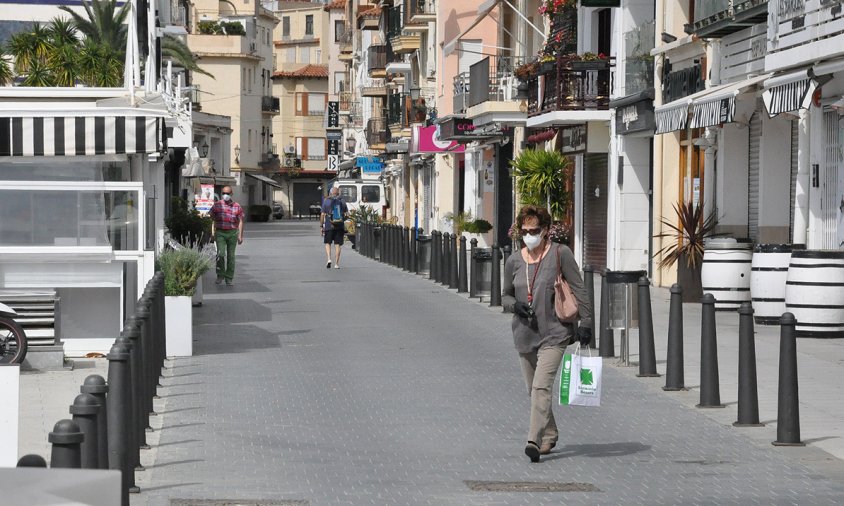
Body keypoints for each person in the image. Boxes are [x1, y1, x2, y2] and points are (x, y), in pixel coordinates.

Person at [502, 205, 593, 463]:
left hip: (555, 332)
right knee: (534, 390)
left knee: (542, 386)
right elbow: (505, 295)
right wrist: (514, 306)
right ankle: (550, 432)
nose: (529, 235)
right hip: (524, 334)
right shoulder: (514, 261)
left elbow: (580, 288)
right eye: (525, 230)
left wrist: (586, 322)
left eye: (535, 230)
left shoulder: (559, 254)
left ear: (545, 230)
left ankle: (534, 440)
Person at [209, 186, 244, 286]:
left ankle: (229, 278)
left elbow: (241, 221)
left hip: (232, 233)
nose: (226, 195)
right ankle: (220, 275)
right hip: (220, 233)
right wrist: (211, 234)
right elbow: (211, 219)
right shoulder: (217, 205)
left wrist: (240, 235)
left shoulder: (237, 206)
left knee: (231, 256)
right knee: (220, 254)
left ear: (231, 194)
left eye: (228, 193)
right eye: (224, 193)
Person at [320, 186, 348, 269]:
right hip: (339, 226)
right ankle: (336, 264)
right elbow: (347, 214)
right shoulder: (342, 201)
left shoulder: (326, 201)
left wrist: (321, 226)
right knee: (337, 245)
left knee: (328, 243)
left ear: (331, 193)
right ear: (338, 192)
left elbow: (322, 215)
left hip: (329, 225)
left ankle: (329, 259)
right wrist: (342, 219)